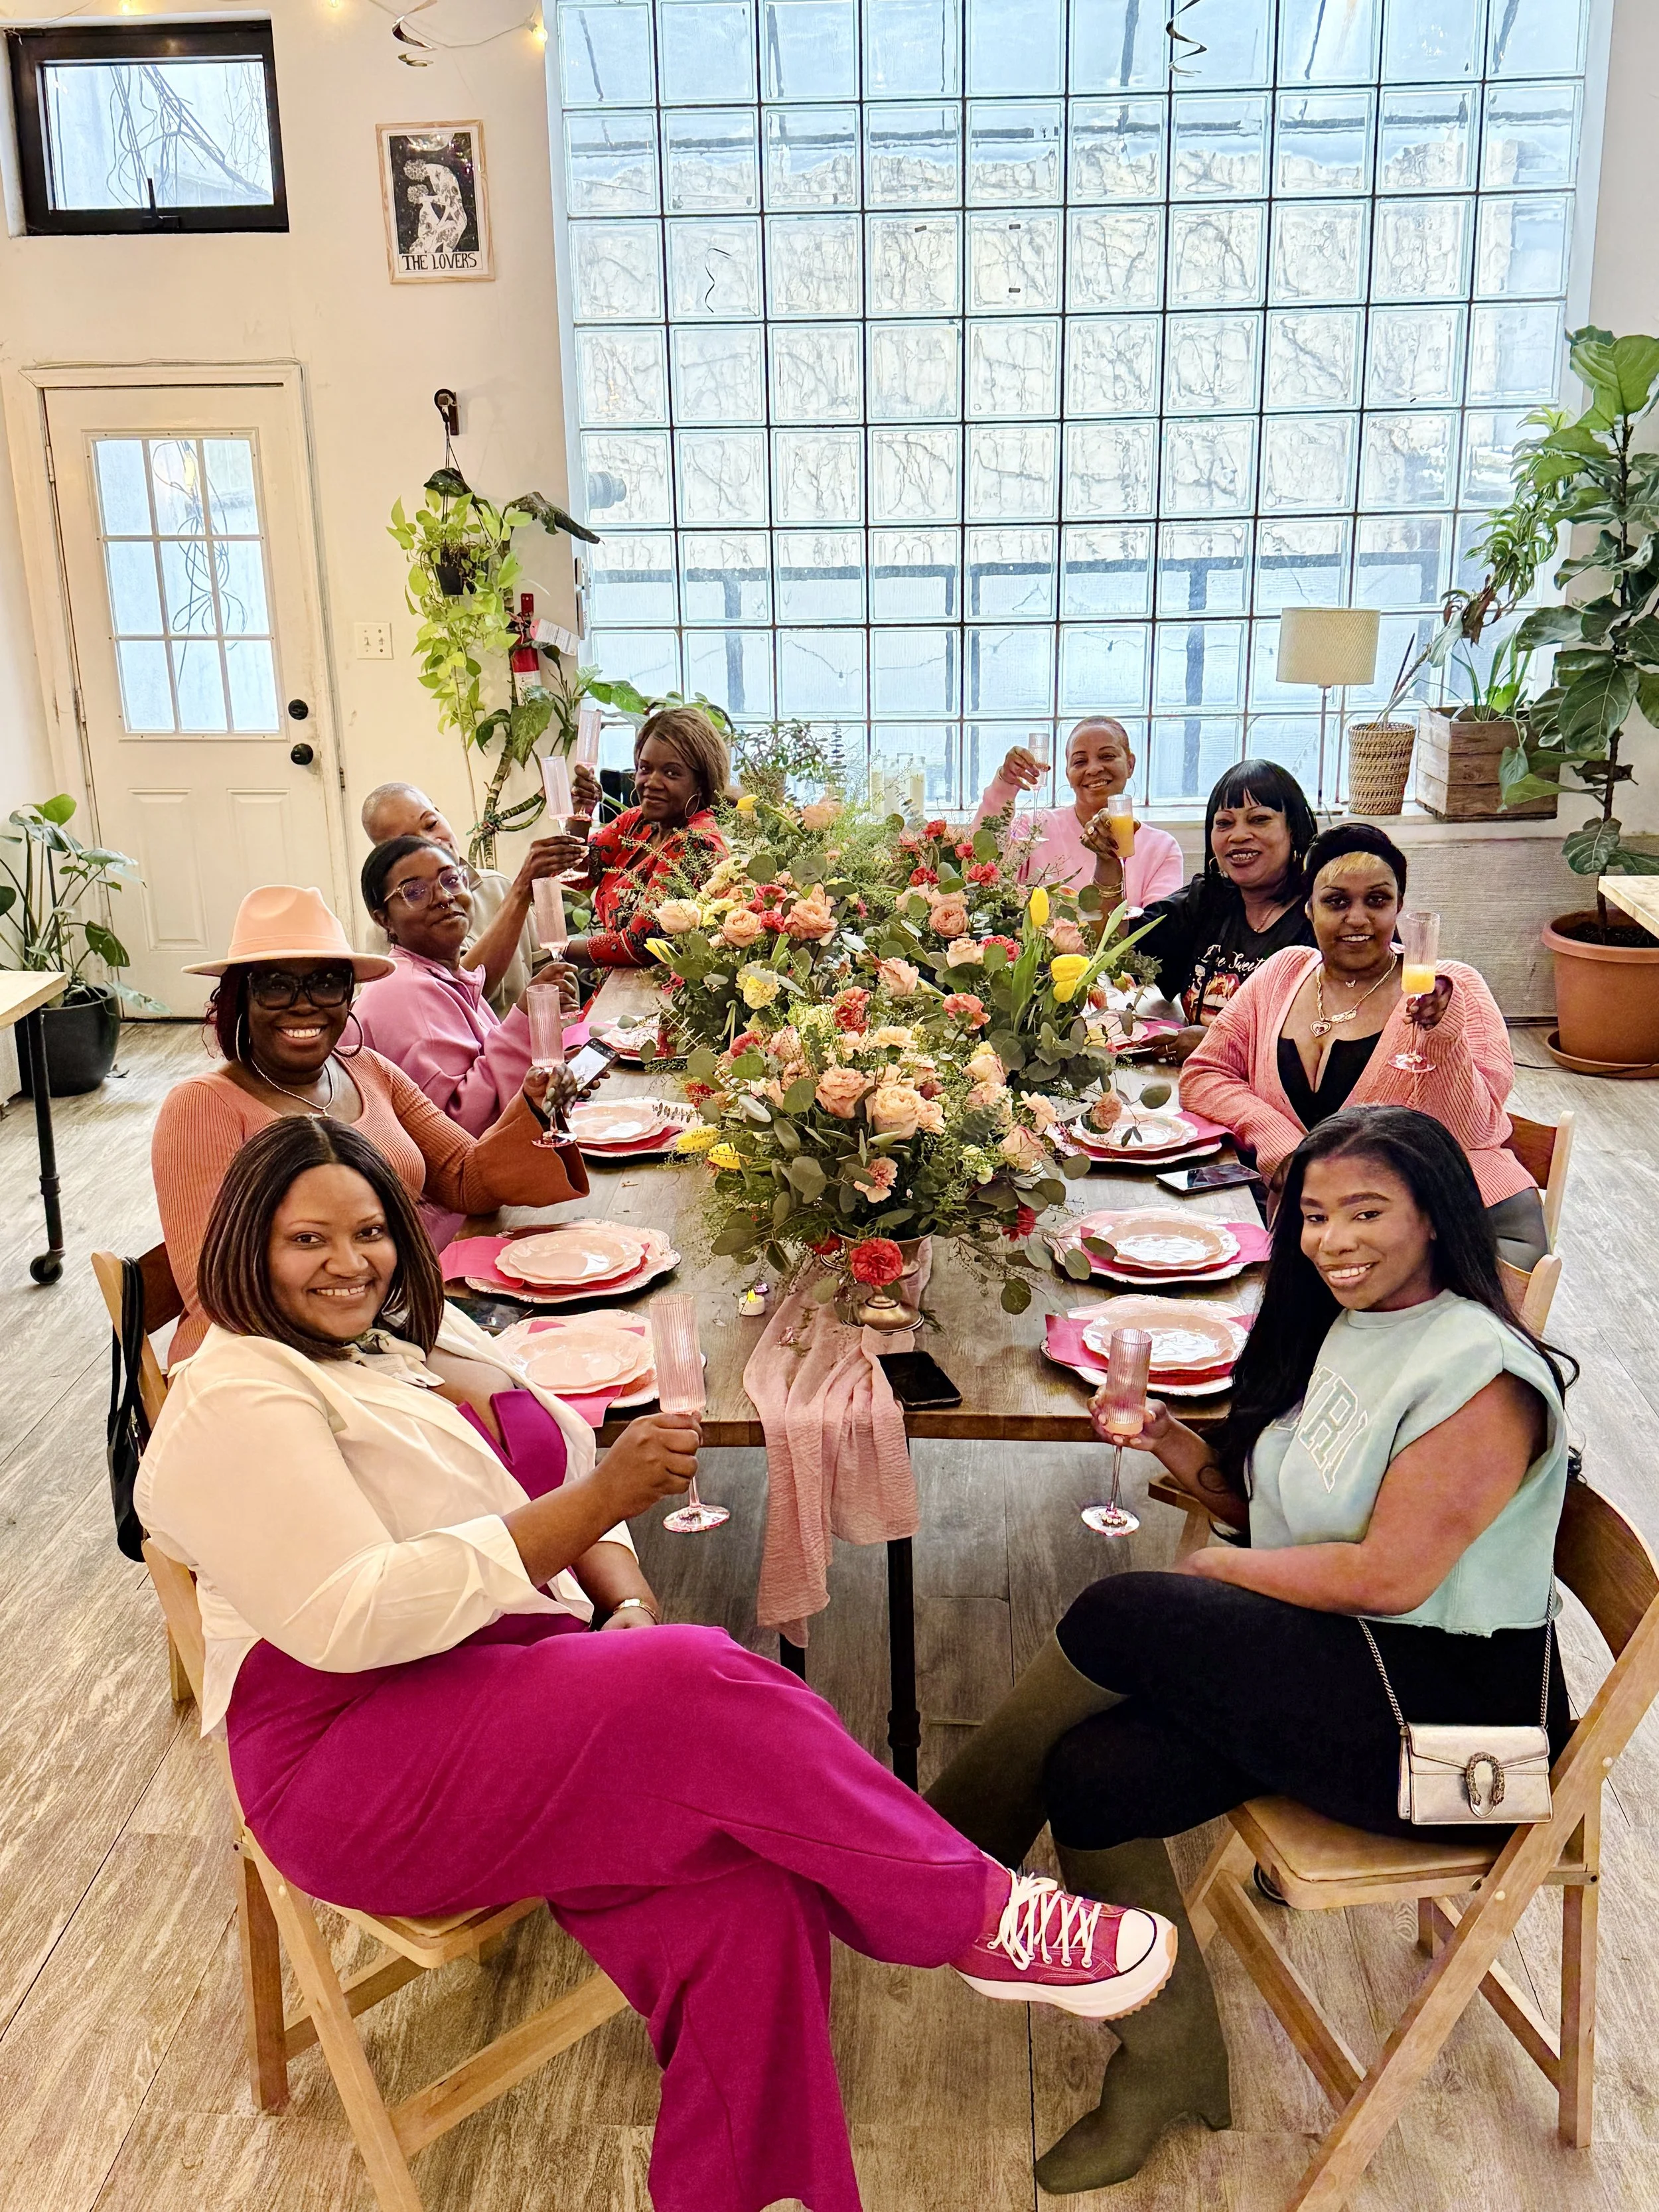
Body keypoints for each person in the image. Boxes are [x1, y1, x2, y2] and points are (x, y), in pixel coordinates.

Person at [137, 1116, 1180, 2212]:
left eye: (367, 1231)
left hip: (499, 1683)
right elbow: (351, 1617)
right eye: (308, 1239)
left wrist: (625, 1597)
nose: (348, 1262)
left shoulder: (428, 1340)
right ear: (250, 1247)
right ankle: (977, 1913)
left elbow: (565, 1458)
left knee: (748, 1894)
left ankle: (752, 2191)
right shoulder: (239, 1393)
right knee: (697, 1680)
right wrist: (595, 1513)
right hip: (352, 1757)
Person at [926, 1106, 1573, 2195]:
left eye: (1367, 1211)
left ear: (1435, 1216)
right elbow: (1287, 1511)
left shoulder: (1483, 1370)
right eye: (1314, 1214)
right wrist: (1178, 1443)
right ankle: (1170, 2061)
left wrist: (1213, 1575)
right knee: (1094, 1776)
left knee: (1124, 1611)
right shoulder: (1351, 1320)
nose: (1333, 1239)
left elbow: (1387, 1575)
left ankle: (932, 1857)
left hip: (1463, 1746)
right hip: (1350, 1671)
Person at [153, 885, 588, 1364]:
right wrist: (381, 1344)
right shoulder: (201, 1107)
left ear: (348, 994)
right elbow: (212, 1292)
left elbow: (466, 1180)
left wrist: (533, 1105)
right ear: (239, 999)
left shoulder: (369, 1071)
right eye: (276, 985)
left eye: (326, 982)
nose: (304, 1004)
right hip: (264, 1364)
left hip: (386, 1324)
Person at [1181, 822, 1548, 1268]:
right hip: (1327, 1232)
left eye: (1377, 900)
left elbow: (1471, 1131)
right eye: (1337, 901)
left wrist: (1442, 1037)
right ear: (1309, 910)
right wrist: (1283, 1146)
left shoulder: (1451, 986)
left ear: (1399, 909)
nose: (1358, 918)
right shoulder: (1283, 973)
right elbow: (1204, 1074)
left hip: (1458, 1232)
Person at [354, 836, 555, 1138]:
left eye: (450, 880)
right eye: (415, 892)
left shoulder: (444, 974)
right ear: (384, 920)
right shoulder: (403, 991)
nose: (444, 897)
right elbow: (457, 1128)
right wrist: (525, 1021)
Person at [358, 771, 601, 1014]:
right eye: (408, 842)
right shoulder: (393, 927)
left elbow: (551, 971)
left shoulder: (497, 886)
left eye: (432, 824)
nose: (431, 843)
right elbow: (459, 997)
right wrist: (521, 890)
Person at [1136, 758, 1319, 1031]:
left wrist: (1215, 1045)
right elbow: (1123, 947)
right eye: (1224, 824)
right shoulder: (1207, 900)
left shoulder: (1322, 914)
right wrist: (1108, 860)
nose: (1238, 835)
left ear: (1294, 830)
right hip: (1193, 1072)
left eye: (1259, 820)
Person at [550, 704, 730, 969]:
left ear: (701, 783)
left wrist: (554, 950)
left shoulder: (698, 844)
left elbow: (641, 944)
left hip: (657, 997)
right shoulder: (639, 823)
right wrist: (581, 814)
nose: (651, 782)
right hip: (617, 984)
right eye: (645, 769)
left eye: (671, 773)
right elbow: (580, 873)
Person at [972, 720, 1185, 909]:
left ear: (1130, 765)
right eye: (1080, 761)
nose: (1093, 769)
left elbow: (1158, 930)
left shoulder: (1162, 848)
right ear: (1068, 773)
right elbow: (979, 863)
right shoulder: (1036, 828)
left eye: (1107, 756)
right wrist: (1006, 783)